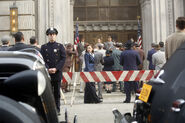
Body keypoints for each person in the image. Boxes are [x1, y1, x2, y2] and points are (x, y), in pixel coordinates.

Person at [40, 27, 66, 115]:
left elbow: (63, 58)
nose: (52, 36)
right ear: (48, 36)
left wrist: (56, 68)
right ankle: (49, 110)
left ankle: (57, 109)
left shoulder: (60, 46)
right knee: (48, 93)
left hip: (57, 73)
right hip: (47, 73)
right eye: (50, 34)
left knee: (57, 93)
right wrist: (47, 68)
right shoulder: (44, 47)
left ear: (56, 35)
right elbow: (42, 59)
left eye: (53, 34)